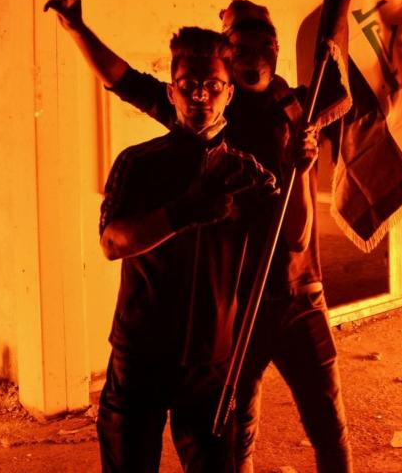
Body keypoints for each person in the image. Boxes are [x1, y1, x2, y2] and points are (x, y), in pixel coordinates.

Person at [45, 0, 353, 472]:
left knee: (325, 429)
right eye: (240, 44)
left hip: (294, 296)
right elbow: (122, 78)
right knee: (236, 441)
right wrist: (78, 27)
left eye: (262, 44)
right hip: (225, 318)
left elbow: (339, 100)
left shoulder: (291, 109)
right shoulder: (188, 136)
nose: (201, 96)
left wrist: (308, 142)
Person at [94, 25, 278, 473]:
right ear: (172, 93)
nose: (200, 97)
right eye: (188, 86)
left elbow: (284, 249)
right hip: (139, 357)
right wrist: (183, 212)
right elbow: (112, 243)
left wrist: (302, 169)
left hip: (211, 367)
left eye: (213, 86)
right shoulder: (137, 164)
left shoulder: (248, 175)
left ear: (229, 94)